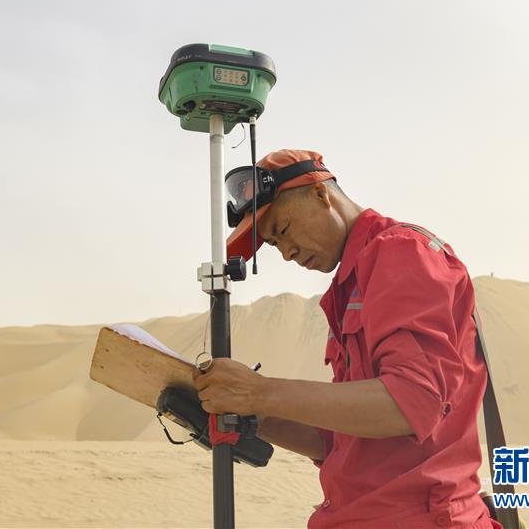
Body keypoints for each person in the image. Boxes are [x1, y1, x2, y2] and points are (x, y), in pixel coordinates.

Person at [192, 149, 501, 529]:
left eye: (283, 230)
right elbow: (343, 441)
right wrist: (256, 416)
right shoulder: (350, 281)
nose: (286, 253)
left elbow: (412, 403)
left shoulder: (400, 252)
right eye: (273, 245)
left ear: (320, 193)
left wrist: (262, 392)